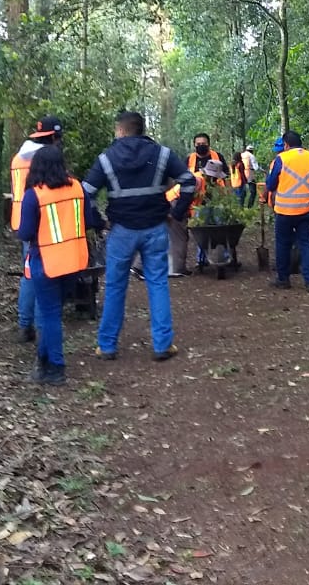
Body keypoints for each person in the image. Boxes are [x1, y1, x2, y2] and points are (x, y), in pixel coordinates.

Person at [83, 110, 196, 362]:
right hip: (155, 228)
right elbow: (189, 181)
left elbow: (86, 192)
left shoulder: (106, 158)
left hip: (121, 231)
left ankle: (107, 346)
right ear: (140, 129)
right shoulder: (162, 154)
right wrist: (176, 212)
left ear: (121, 130)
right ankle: (162, 345)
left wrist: (98, 222)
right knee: (157, 283)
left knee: (114, 286)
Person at [17, 144, 103, 385]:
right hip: (74, 262)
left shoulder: (35, 194)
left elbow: (25, 232)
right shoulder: (78, 188)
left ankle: (56, 368)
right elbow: (87, 221)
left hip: (46, 263)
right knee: (52, 312)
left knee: (51, 316)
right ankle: (43, 363)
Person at [8, 115, 64, 343]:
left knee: (29, 273)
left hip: (22, 220)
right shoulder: (45, 159)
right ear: (53, 137)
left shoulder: (17, 158)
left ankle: (25, 325)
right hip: (44, 220)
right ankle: (42, 329)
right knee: (45, 274)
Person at [265, 130, 309, 293]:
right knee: (305, 243)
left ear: (286, 145)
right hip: (306, 208)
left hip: (284, 210)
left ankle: (283, 279)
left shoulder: (281, 159)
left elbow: (270, 184)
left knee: (283, 243)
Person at [166, 167, 207, 277]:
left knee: (165, 235)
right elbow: (187, 197)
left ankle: (140, 266)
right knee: (180, 237)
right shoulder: (198, 181)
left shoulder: (197, 179)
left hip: (170, 201)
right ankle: (177, 269)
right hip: (175, 203)